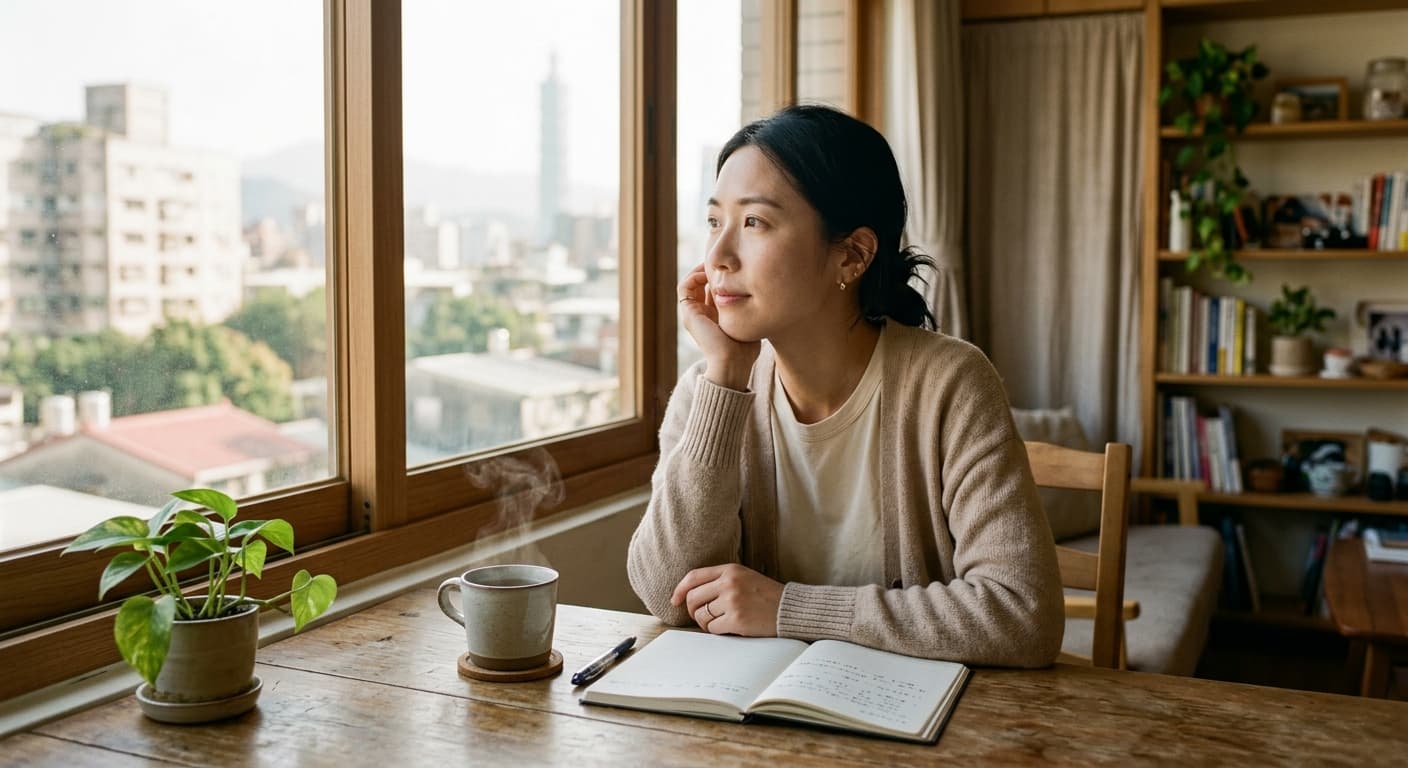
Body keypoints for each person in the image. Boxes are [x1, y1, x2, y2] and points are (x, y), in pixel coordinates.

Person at [627, 105, 1063, 667]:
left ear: (852, 255)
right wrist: (727, 378)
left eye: (754, 222)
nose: (717, 259)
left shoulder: (950, 384)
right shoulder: (709, 390)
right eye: (715, 222)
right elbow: (667, 594)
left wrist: (789, 608)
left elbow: (1023, 614)